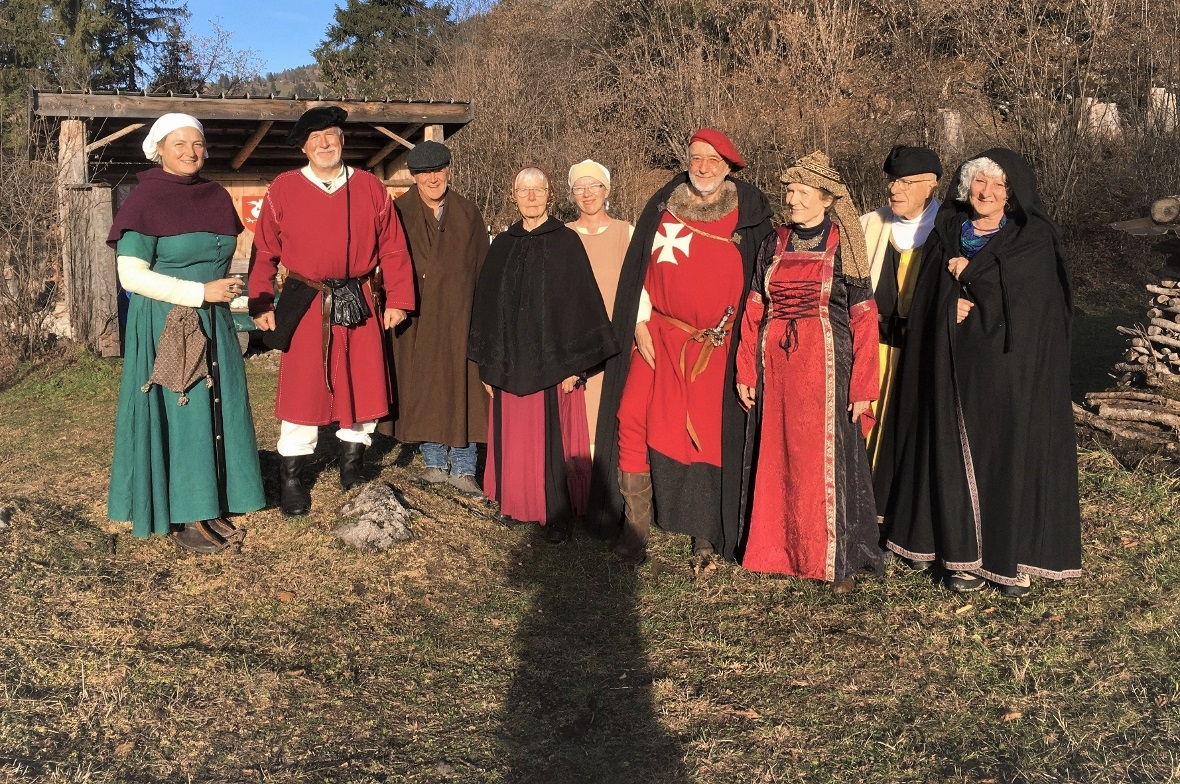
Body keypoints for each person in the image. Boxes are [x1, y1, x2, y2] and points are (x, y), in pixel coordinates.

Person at [873, 148, 1081, 598]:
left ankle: (1006, 555)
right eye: (978, 182)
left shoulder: (1032, 236)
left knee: (1002, 455)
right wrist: (951, 300)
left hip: (1008, 370)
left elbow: (1034, 305)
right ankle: (958, 556)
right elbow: (929, 293)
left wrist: (976, 281)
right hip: (950, 364)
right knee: (947, 452)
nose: (985, 192)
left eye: (997, 185)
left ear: (1013, 192)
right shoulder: (949, 229)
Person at [587, 128, 774, 566]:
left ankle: (705, 532)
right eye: (695, 158)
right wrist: (638, 324)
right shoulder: (663, 205)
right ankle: (635, 528)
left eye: (712, 159)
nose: (702, 167)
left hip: (717, 344)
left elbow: (761, 284)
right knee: (632, 416)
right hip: (660, 335)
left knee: (708, 436)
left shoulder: (749, 213)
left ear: (728, 165)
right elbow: (637, 272)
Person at [107, 113, 265, 553]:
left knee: (219, 407)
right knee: (186, 410)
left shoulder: (215, 194)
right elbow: (132, 276)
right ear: (158, 149)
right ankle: (187, 515)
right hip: (167, 322)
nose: (190, 151)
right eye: (179, 144)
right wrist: (200, 291)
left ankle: (214, 501)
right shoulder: (144, 200)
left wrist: (223, 289)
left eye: (197, 143)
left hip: (213, 318)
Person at [248, 106, 415, 516]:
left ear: (342, 139)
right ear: (304, 146)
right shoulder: (284, 189)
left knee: (359, 381)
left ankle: (352, 465)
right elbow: (265, 250)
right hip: (306, 302)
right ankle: (292, 478)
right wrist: (261, 301)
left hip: (357, 298)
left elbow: (393, 247)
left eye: (331, 135)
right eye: (315, 137)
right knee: (304, 388)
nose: (324, 143)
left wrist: (397, 298)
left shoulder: (370, 187)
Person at [735, 151, 883, 593]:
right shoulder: (774, 242)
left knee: (823, 460)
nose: (791, 199)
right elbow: (754, 308)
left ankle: (835, 560)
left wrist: (863, 384)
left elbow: (863, 315)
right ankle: (775, 550)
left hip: (826, 368)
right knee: (778, 453)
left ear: (825, 199)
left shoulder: (846, 244)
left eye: (800, 192)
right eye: (789, 191)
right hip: (776, 366)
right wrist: (747, 370)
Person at [468, 167, 619, 544]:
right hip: (508, 363)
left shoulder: (566, 242)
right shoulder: (502, 245)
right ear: (513, 196)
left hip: (555, 366)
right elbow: (486, 309)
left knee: (551, 443)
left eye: (538, 190)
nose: (531, 196)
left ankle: (557, 513)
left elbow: (582, 306)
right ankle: (515, 503)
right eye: (524, 190)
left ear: (550, 195)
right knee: (514, 436)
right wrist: (487, 366)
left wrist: (576, 367)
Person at [390, 140, 489, 496]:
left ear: (448, 171)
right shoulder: (397, 212)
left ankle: (464, 468)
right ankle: (433, 462)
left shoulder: (467, 213)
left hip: (461, 315)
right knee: (425, 384)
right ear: (414, 177)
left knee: (464, 386)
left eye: (439, 170)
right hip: (415, 317)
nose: (433, 179)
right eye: (425, 173)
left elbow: (483, 268)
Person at [861, 145, 942, 468]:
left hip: (922, 355)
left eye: (905, 182)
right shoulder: (869, 226)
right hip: (873, 353)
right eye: (893, 181)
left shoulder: (948, 230)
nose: (894, 189)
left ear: (930, 184)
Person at [565, 159, 633, 456]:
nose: (587, 193)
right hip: (574, 345)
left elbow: (640, 292)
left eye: (594, 186)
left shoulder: (627, 233)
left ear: (606, 190)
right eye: (580, 187)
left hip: (616, 343)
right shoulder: (562, 236)